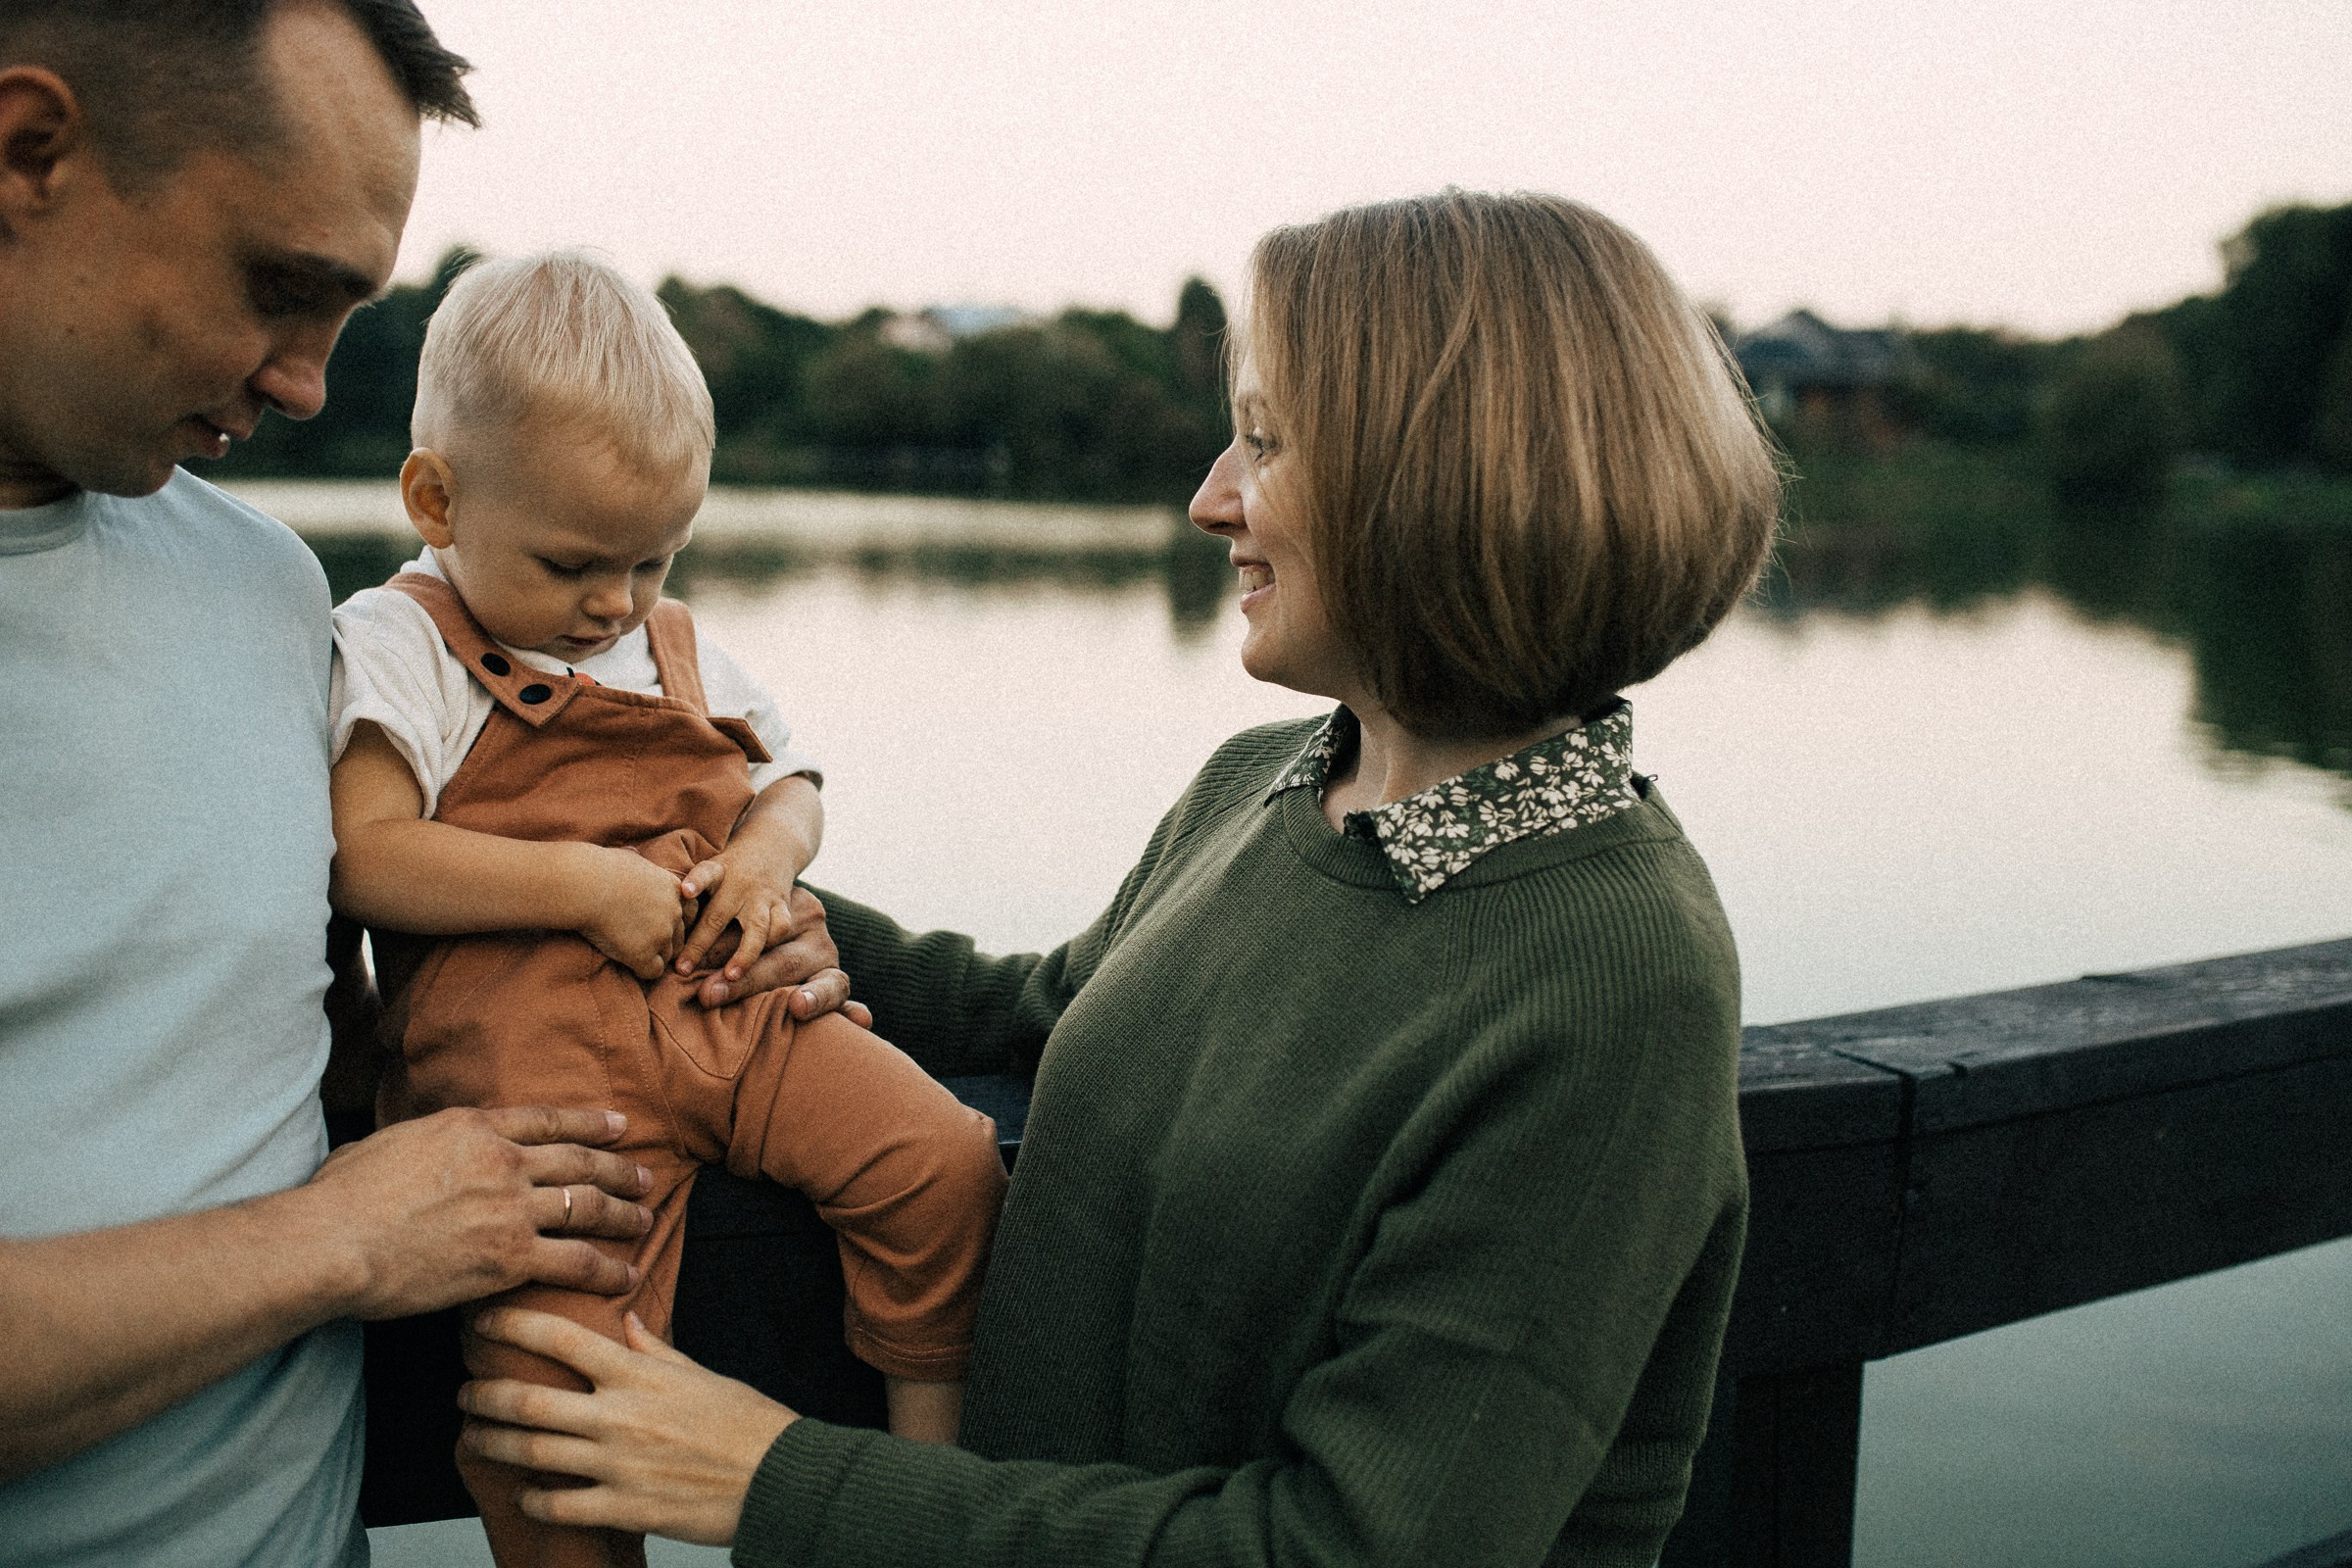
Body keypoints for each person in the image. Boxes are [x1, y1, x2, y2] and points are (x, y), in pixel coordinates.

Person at [453, 189, 1784, 1568]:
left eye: (1264, 440)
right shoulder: (1271, 784)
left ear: (1437, 479)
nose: (1209, 497)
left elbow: (1348, 1547)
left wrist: (772, 1480)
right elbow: (1054, 1013)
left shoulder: (1616, 980)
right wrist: (734, 896)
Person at [0, 6, 851, 1563]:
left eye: (349, 309)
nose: (316, 386)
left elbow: (299, 1024)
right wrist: (335, 1243)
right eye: (279, 289)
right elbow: (334, 1211)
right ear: (27, 150)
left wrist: (730, 930)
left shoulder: (268, 593)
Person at [327, 250, 1007, 1566]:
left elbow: (790, 784)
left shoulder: (674, 642)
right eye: (577, 564)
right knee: (553, 1400)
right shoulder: (397, 641)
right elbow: (368, 859)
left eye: (654, 560)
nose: (615, 604)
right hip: (536, 1083)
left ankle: (925, 1488)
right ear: (436, 497)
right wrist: (583, 885)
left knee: (947, 1167)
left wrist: (764, 861)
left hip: (732, 1015)